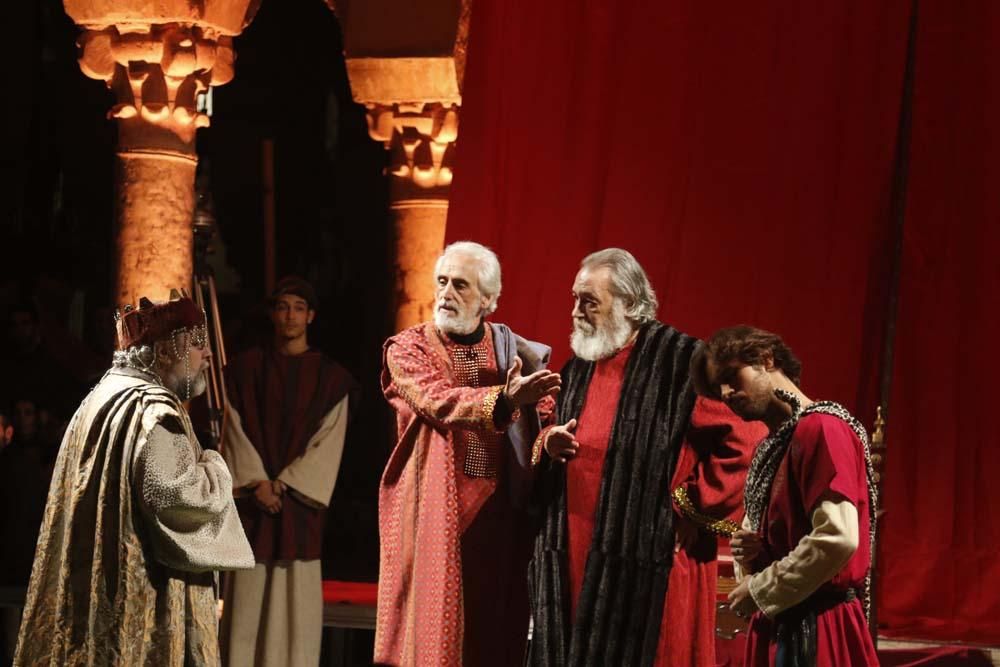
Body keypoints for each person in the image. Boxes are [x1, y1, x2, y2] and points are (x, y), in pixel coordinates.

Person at [528, 248, 765, 666]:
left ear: (629, 305)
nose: (576, 311)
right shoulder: (580, 366)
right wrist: (549, 440)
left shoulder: (682, 362)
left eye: (589, 301)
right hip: (576, 551)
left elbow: (748, 437)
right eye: (574, 298)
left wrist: (692, 509)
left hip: (653, 557)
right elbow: (550, 424)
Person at [14, 292, 254, 666]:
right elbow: (177, 500)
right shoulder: (153, 412)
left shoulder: (101, 397)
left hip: (93, 592)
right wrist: (215, 468)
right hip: (139, 594)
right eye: (195, 344)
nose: (207, 355)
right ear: (163, 351)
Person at [375, 241, 560, 667]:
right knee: (428, 637)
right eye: (442, 281)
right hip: (431, 513)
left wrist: (548, 440)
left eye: (460, 285)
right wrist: (506, 401)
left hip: (499, 517)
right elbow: (438, 400)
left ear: (488, 300)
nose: (446, 293)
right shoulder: (408, 349)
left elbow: (542, 420)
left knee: (493, 633)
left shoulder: (515, 354)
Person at [690, 325, 878, 666]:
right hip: (785, 620)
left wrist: (761, 589)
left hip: (817, 625)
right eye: (720, 389)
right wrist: (755, 552)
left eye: (733, 376)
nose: (728, 392)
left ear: (766, 359)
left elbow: (837, 537)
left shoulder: (822, 427)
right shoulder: (773, 444)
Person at [220, 276, 357, 667]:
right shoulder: (244, 370)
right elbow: (234, 429)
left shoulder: (331, 379)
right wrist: (256, 483)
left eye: (299, 307)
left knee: (294, 607)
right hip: (254, 504)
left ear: (311, 316)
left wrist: (285, 484)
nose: (290, 315)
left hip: (298, 507)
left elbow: (328, 441)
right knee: (246, 603)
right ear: (272, 314)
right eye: (283, 306)